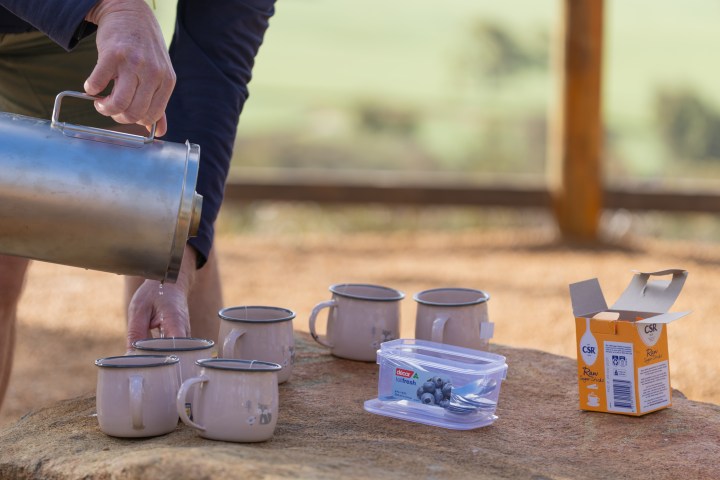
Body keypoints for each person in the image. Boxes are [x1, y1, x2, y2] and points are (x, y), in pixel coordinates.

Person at [0, 0, 275, 411]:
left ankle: (196, 437)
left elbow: (214, 67)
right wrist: (111, 5)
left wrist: (175, 266)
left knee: (162, 211)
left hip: (75, 38)